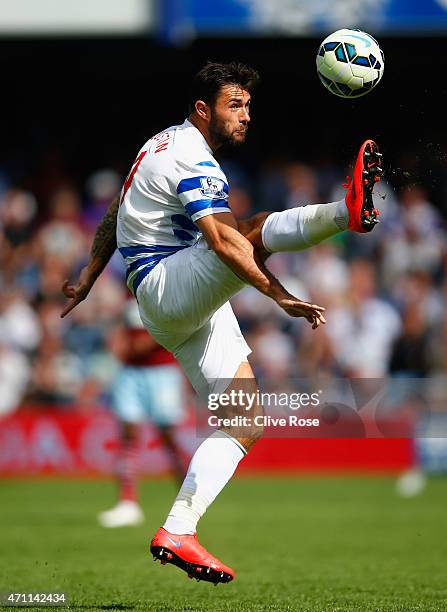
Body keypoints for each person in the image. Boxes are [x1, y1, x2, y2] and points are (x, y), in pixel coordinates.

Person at [61, 61, 383, 584]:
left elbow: (115, 217)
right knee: (249, 230)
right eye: (236, 105)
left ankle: (177, 530)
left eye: (249, 106)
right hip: (169, 285)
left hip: (173, 305)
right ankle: (346, 213)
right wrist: (281, 296)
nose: (246, 116)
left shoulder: (158, 144)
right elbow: (223, 242)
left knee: (245, 419)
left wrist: (87, 277)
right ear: (203, 110)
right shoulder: (193, 158)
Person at [98, 298, 186, 528]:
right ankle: (128, 502)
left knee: (168, 437)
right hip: (131, 372)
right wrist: (117, 342)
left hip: (162, 371)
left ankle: (189, 498)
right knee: (128, 435)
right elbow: (122, 328)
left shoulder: (167, 294)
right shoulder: (130, 296)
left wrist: (141, 344)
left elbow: (175, 327)